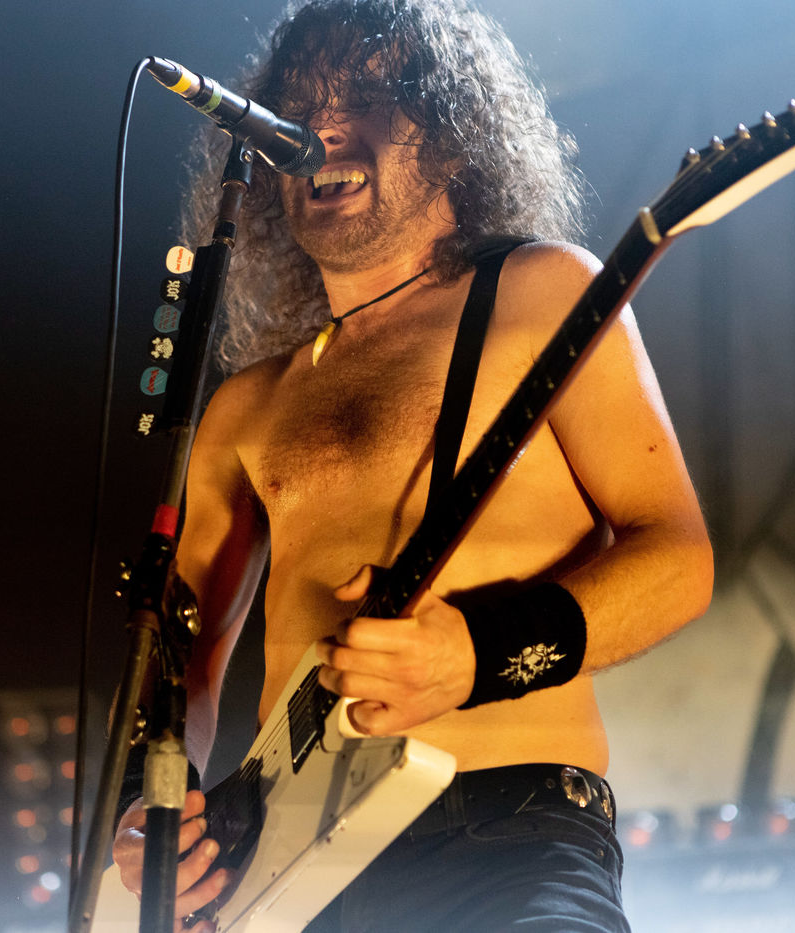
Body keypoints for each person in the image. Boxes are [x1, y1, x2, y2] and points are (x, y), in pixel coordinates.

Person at [113, 0, 713, 929]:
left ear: (452, 135)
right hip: (288, 871)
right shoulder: (246, 405)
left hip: (502, 842)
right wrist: (151, 805)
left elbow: (678, 559)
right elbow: (176, 657)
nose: (323, 126)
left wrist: (476, 653)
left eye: (366, 94)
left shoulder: (542, 292)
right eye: (300, 104)